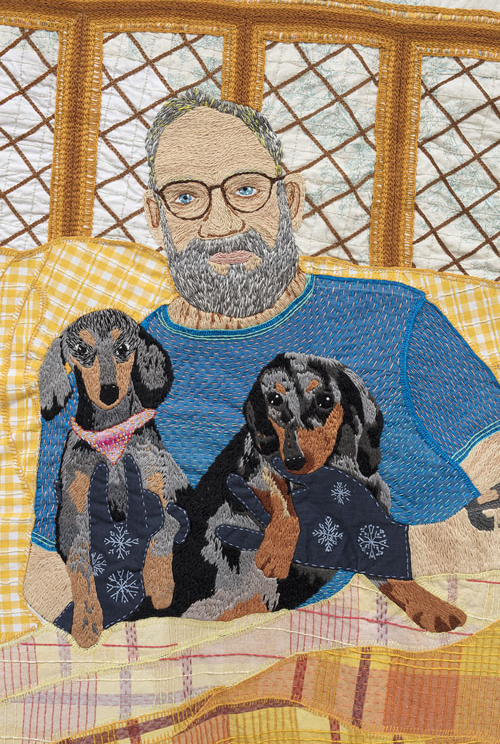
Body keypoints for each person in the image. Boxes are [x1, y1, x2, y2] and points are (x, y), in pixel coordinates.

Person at [25, 89, 500, 631]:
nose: (221, 224)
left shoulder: (394, 322)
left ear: (290, 199)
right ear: (155, 217)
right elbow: (47, 576)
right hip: (175, 635)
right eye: (186, 197)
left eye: (246, 190)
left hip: (394, 626)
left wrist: (378, 550)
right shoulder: (109, 372)